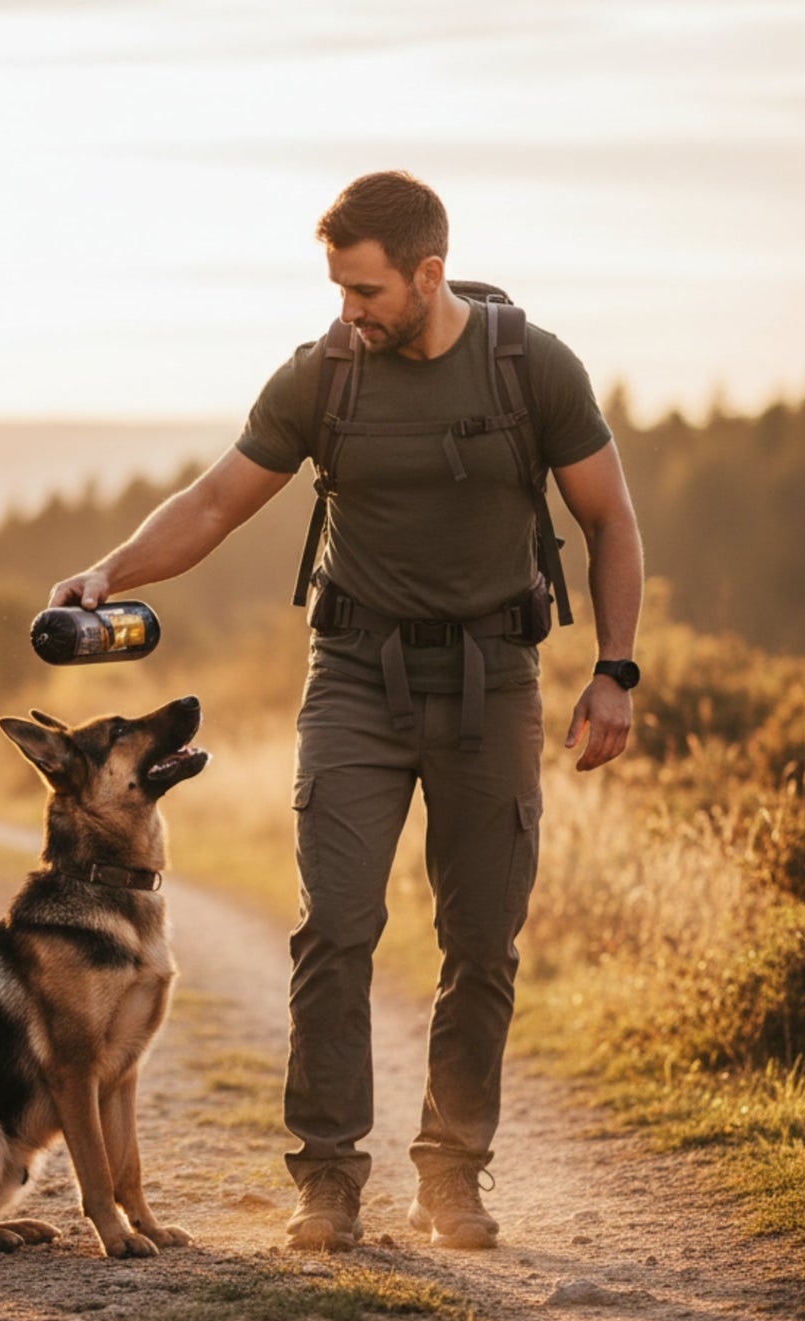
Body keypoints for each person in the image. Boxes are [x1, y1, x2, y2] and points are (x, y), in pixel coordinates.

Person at [47, 170, 643, 1252]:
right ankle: (328, 1183)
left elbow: (610, 519)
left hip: (493, 684)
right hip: (354, 680)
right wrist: (109, 570)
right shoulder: (323, 377)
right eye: (336, 288)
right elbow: (217, 502)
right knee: (336, 928)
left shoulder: (531, 367)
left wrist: (617, 670)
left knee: (481, 942)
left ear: (428, 273)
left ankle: (452, 1177)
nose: (347, 312)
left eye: (365, 290)